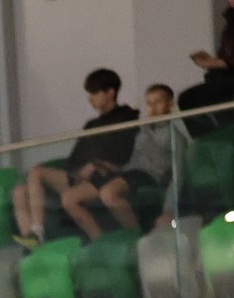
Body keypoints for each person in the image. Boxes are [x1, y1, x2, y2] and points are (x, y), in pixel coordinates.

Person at [12, 70, 139, 244]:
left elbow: (122, 154)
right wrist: (78, 171)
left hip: (104, 176)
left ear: (110, 92)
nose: (90, 98)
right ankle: (35, 235)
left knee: (68, 197)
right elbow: (76, 156)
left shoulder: (127, 117)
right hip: (78, 175)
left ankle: (99, 242)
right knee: (28, 181)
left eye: (94, 92)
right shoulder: (92, 124)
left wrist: (96, 164)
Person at [61, 83, 180, 237]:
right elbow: (131, 160)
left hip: (150, 175)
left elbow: (178, 174)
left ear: (171, 104)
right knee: (69, 198)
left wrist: (168, 210)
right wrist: (110, 167)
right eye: (149, 103)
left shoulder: (174, 136)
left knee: (108, 193)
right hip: (128, 172)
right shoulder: (141, 130)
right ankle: (100, 240)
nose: (153, 108)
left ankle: (137, 237)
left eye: (158, 102)